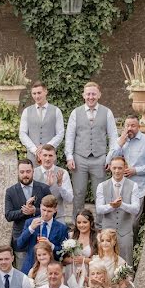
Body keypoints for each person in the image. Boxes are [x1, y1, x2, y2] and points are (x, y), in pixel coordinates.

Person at [64, 82, 118, 215]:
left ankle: (100, 226)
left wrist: (110, 158)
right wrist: (69, 156)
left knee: (100, 194)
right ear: (83, 95)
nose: (91, 97)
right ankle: (77, 225)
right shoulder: (76, 113)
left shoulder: (107, 113)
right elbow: (70, 136)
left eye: (93, 94)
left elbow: (113, 137)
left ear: (99, 95)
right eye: (88, 94)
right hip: (79, 158)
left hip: (100, 159)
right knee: (78, 193)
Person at [107, 114, 145, 231]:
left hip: (139, 187)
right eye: (127, 125)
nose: (129, 128)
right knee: (116, 222)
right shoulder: (120, 141)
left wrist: (136, 170)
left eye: (133, 125)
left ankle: (131, 247)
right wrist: (119, 145)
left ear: (139, 127)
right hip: (120, 186)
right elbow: (108, 161)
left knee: (132, 223)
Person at [4, 159, 52, 267]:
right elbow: (8, 215)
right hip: (21, 238)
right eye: (22, 172)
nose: (25, 175)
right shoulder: (10, 191)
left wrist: (35, 210)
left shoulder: (44, 188)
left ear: (33, 171)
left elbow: (53, 212)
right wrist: (23, 212)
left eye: (28, 171)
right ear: (17, 172)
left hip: (41, 237)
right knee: (23, 275)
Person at [95, 156, 139, 265]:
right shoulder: (101, 186)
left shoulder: (133, 186)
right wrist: (112, 206)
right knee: (106, 263)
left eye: (120, 168)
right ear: (110, 167)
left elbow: (136, 209)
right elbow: (99, 209)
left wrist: (121, 205)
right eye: (114, 168)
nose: (117, 171)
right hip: (107, 234)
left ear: (125, 168)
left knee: (126, 264)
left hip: (125, 232)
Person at [15, 194, 68, 273]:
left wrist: (51, 246)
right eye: (43, 210)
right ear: (40, 207)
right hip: (30, 268)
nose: (46, 214)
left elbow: (63, 254)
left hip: (51, 271)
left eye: (49, 211)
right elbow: (19, 245)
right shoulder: (29, 222)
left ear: (55, 210)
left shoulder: (61, 228)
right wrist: (30, 229)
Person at [19, 81, 64, 165]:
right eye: (34, 93)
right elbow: (22, 133)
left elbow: (60, 134)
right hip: (32, 157)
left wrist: (46, 147)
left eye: (39, 93)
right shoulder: (26, 111)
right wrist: (34, 150)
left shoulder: (56, 111)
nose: (37, 96)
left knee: (50, 178)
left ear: (45, 91)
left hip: (50, 157)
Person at [33, 144, 74, 224]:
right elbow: (32, 198)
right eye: (45, 155)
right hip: (39, 216)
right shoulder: (33, 173)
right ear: (40, 156)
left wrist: (60, 185)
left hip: (58, 217)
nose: (47, 158)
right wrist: (46, 186)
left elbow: (69, 199)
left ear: (55, 157)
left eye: (50, 155)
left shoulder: (63, 173)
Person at [63, 209, 99, 288]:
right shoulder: (71, 235)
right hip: (71, 271)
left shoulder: (97, 237)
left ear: (91, 222)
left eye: (85, 222)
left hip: (88, 272)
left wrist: (84, 260)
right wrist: (72, 260)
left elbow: (101, 260)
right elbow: (63, 259)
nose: (81, 225)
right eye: (79, 222)